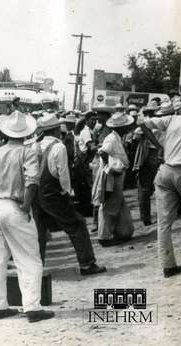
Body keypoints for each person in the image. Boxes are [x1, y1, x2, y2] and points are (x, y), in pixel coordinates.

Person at [0, 111, 55, 322]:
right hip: (15, 206)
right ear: (27, 133)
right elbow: (32, 181)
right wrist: (25, 205)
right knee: (29, 259)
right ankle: (32, 307)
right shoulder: (28, 152)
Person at [32, 113, 107, 275]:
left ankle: (36, 267)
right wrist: (67, 194)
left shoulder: (34, 146)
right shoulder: (58, 147)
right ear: (56, 129)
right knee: (77, 224)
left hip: (37, 194)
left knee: (40, 231)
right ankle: (87, 263)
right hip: (53, 193)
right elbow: (63, 175)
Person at [138, 104, 181, 277]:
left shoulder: (170, 119)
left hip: (165, 171)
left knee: (163, 223)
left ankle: (168, 265)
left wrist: (159, 145)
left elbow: (141, 123)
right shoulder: (170, 118)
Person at [96, 112, 135, 247]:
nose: (128, 128)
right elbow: (102, 152)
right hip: (112, 176)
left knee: (119, 205)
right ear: (120, 127)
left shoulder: (117, 138)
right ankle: (104, 237)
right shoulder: (111, 139)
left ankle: (123, 232)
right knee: (110, 207)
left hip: (117, 176)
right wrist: (111, 168)